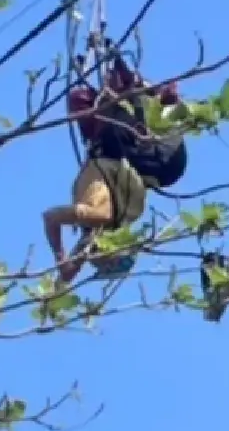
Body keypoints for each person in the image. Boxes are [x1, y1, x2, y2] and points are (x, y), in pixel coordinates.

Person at [43, 54, 188, 281]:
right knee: (117, 103)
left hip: (145, 161)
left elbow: (83, 248)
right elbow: (51, 217)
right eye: (98, 259)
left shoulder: (106, 223)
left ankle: (138, 91)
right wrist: (61, 258)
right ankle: (132, 87)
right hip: (133, 154)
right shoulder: (100, 217)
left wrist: (66, 272)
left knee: (82, 101)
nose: (89, 257)